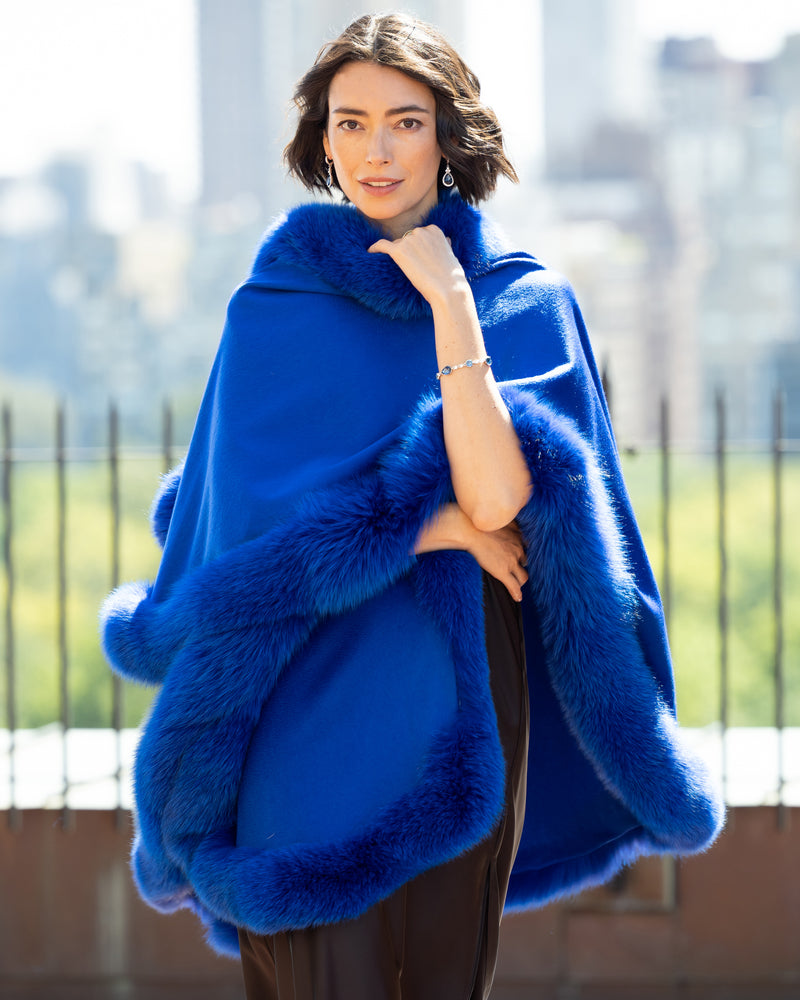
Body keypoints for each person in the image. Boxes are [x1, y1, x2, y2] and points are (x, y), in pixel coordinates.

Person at [101, 12, 724, 1000]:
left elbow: (500, 497)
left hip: (459, 723)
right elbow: (235, 538)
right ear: (322, 141)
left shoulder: (521, 300)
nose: (374, 150)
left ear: (448, 137)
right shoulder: (273, 308)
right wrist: (413, 526)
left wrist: (451, 307)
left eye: (402, 121)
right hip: (302, 722)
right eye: (349, 124)